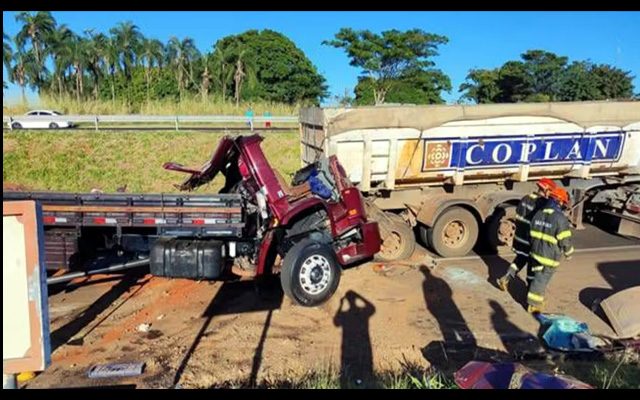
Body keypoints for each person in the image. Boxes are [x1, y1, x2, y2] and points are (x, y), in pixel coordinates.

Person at [497, 178, 557, 291]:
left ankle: (506, 278)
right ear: (547, 190)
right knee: (532, 264)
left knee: (521, 258)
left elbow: (519, 214)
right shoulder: (542, 204)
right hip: (531, 239)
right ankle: (531, 289)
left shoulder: (525, 198)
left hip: (520, 237)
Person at [526, 186, 574, 314]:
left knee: (537, 276)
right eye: (563, 203)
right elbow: (565, 240)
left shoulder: (538, 213)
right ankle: (534, 305)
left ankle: (533, 296)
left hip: (535, 251)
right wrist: (569, 253)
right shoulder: (560, 219)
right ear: (559, 202)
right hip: (548, 257)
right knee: (541, 279)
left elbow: (531, 232)